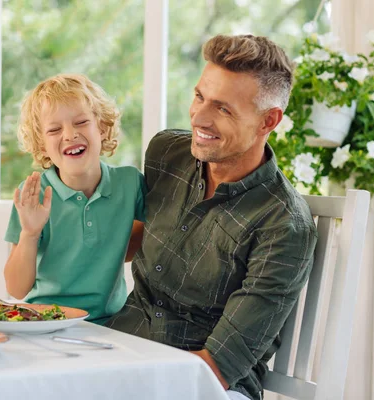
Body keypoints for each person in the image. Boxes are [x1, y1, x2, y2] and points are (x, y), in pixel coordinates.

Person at [106, 35, 318, 400]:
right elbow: (124, 245)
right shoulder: (167, 153)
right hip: (123, 350)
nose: (199, 117)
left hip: (207, 384)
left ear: (269, 120)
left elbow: (216, 367)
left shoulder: (282, 225)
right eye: (200, 96)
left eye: (223, 109)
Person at [3, 73, 145, 324]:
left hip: (112, 323)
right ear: (42, 144)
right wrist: (30, 232)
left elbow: (153, 232)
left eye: (81, 122)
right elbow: (16, 289)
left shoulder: (130, 184)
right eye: (54, 129)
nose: (69, 135)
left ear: (101, 128)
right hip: (45, 322)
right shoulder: (34, 194)